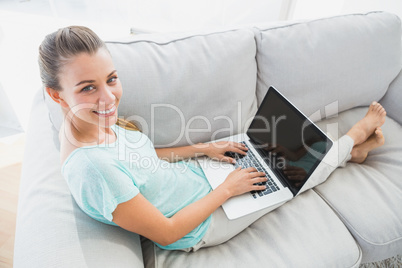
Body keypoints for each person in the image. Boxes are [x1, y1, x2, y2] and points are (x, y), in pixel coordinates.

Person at [39, 26, 386, 252]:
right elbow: (167, 232)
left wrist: (204, 149)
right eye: (88, 88)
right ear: (56, 95)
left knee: (269, 148)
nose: (109, 98)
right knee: (299, 171)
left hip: (200, 179)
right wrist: (228, 189)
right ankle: (353, 139)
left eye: (111, 79)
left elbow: (143, 159)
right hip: (203, 221)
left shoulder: (91, 124)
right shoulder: (93, 168)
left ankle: (351, 153)